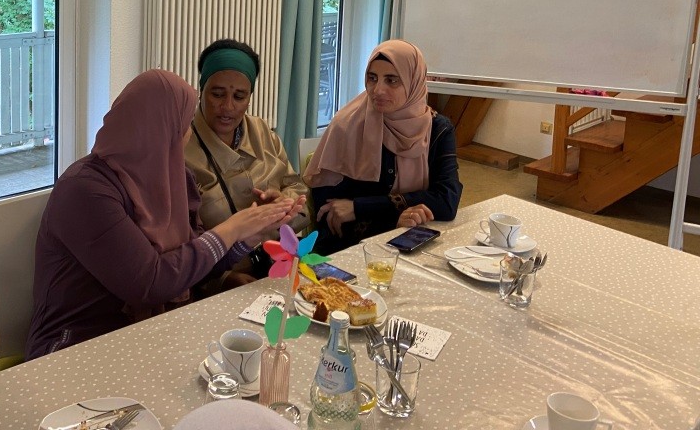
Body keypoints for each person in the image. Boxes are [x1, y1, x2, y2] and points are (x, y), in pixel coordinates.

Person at [25, 69, 304, 359]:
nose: (189, 134)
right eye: (184, 124)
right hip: (77, 347)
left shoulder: (173, 178)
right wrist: (230, 229)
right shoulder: (85, 190)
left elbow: (191, 269)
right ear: (160, 128)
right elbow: (150, 283)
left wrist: (250, 233)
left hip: (151, 333)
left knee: (264, 359)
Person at [304, 40, 461, 255]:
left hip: (411, 238)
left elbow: (447, 201)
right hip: (350, 248)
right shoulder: (346, 126)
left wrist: (360, 207)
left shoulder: (438, 129)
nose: (377, 90)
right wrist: (394, 219)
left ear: (413, 82)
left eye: (391, 80)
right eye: (372, 78)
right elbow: (332, 214)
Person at [183, 39, 309, 281]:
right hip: (217, 278)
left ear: (250, 97)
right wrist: (222, 280)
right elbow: (179, 249)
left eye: (239, 96)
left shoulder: (263, 133)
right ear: (201, 91)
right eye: (217, 94)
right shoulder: (182, 147)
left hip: (280, 265)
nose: (227, 106)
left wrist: (283, 204)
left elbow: (300, 196)